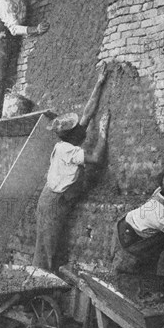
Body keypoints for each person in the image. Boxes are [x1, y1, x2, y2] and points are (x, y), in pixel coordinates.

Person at [32, 66, 111, 271]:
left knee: (48, 243)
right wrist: (103, 132)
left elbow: (88, 111)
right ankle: (44, 281)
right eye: (79, 127)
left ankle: (44, 276)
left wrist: (99, 82)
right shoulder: (68, 150)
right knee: (48, 246)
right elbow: (96, 159)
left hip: (53, 197)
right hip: (52, 202)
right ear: (74, 134)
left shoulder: (69, 141)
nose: (82, 127)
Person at [0, 0, 49, 121]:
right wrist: (35, 29)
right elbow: (14, 29)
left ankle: (2, 112)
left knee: (8, 76)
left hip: (9, 39)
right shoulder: (4, 3)